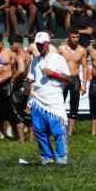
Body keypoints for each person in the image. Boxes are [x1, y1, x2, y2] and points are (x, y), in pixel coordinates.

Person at [27, 33, 73, 165]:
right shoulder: (35, 61)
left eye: (41, 44)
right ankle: (47, 157)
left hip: (54, 100)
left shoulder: (58, 59)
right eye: (37, 44)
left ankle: (61, 158)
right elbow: (32, 81)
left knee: (58, 131)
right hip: (38, 100)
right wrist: (29, 100)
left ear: (48, 43)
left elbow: (69, 79)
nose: (39, 46)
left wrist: (53, 74)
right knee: (39, 131)